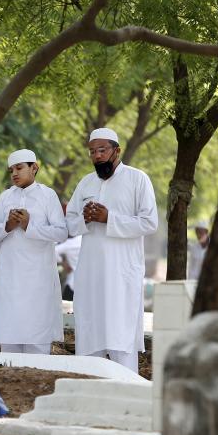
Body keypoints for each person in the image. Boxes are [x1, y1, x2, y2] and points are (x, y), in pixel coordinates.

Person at [65, 128, 158, 373]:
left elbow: (149, 222)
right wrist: (85, 219)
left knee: (121, 335)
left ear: (117, 150)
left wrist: (110, 218)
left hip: (122, 273)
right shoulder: (86, 182)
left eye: (102, 150)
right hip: (90, 273)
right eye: (92, 151)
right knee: (90, 335)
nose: (97, 155)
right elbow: (70, 222)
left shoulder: (138, 179)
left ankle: (128, 395)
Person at [0, 149, 67, 354]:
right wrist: (8, 226)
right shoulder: (6, 197)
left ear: (34, 168)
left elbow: (61, 232)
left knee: (37, 337)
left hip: (38, 280)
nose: (14, 173)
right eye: (11, 169)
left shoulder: (47, 195)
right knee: (9, 339)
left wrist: (30, 225)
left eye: (19, 168)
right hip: (9, 278)